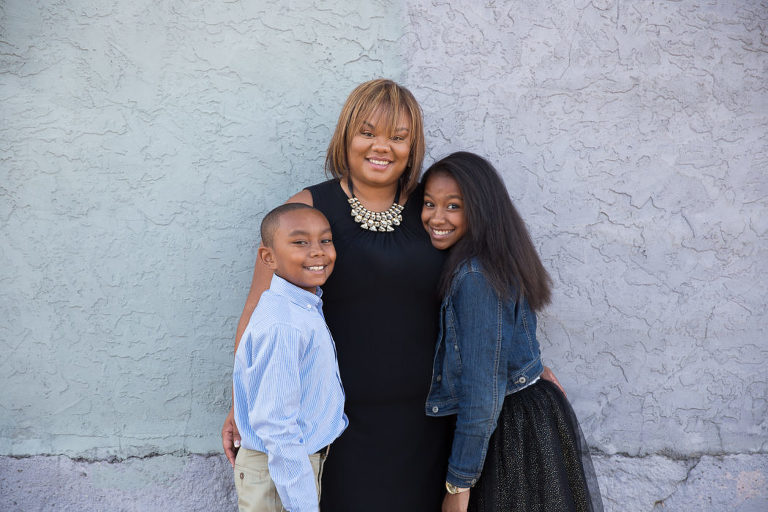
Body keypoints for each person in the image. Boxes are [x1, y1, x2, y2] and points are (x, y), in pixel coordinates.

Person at [223, 79, 564, 511]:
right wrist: (241, 404)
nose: (381, 147)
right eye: (367, 132)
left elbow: (491, 283)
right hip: (338, 428)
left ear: (412, 145)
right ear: (346, 136)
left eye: (398, 137)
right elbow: (258, 315)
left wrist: (527, 362)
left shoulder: (435, 209)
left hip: (430, 426)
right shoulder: (307, 211)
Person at [421, 152, 604, 512]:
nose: (436, 217)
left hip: (506, 431)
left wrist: (458, 485)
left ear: (480, 210)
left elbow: (482, 393)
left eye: (453, 206)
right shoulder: (496, 257)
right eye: (429, 203)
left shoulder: (474, 276)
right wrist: (534, 365)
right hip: (527, 417)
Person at [232, 203, 346, 512]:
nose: (318, 251)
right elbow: (276, 424)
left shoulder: (302, 307)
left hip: (290, 464)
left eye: (325, 240)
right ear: (268, 257)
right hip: (279, 471)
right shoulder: (283, 323)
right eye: (300, 242)